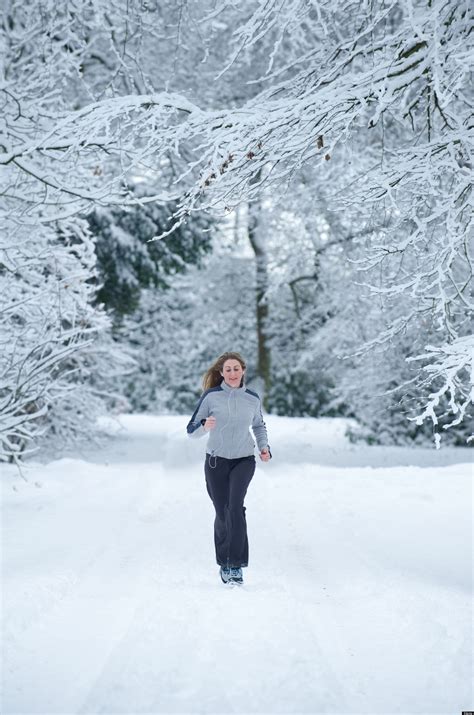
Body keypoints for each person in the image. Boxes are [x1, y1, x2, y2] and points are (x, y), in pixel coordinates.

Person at [186, 351, 272, 586]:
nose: (232, 373)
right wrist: (205, 425)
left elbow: (259, 425)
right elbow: (191, 430)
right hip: (216, 461)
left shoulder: (252, 399)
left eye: (236, 369)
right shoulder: (211, 397)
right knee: (222, 511)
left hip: (244, 459)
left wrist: (264, 448)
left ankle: (236, 565)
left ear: (243, 370)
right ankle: (224, 563)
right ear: (221, 373)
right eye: (228, 370)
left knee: (235, 507)